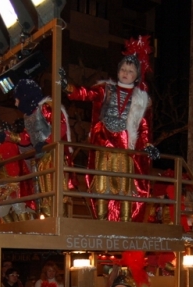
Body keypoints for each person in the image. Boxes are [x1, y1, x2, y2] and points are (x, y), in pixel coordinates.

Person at [64, 35, 159, 222]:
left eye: (130, 71)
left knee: (124, 188)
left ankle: (124, 225)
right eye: (123, 69)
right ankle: (101, 222)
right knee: (101, 185)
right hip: (103, 144)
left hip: (125, 149)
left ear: (137, 75)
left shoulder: (141, 100)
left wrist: (147, 145)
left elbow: (144, 127)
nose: (125, 73)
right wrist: (68, 86)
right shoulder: (106, 89)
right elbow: (85, 94)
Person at [10, 79, 72, 217]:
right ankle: (48, 221)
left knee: (55, 191)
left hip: (54, 157)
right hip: (41, 159)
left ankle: (59, 220)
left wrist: (47, 142)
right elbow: (27, 137)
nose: (16, 103)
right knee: (44, 194)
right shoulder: (28, 115)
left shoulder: (46, 107)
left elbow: (60, 126)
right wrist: (9, 137)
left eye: (17, 99)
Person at [0, 121, 34, 222]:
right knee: (1, 209)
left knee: (18, 205)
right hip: (7, 182)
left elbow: (8, 155)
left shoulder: (9, 145)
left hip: (15, 182)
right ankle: (11, 229)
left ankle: (27, 229)